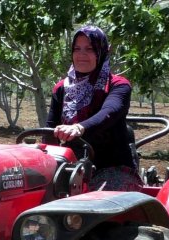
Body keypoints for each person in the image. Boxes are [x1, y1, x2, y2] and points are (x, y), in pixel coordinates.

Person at [46, 24, 142, 191]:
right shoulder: (61, 88)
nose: (81, 54)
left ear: (101, 52)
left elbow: (108, 113)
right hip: (70, 167)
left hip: (112, 169)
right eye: (77, 48)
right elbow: (50, 130)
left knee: (98, 206)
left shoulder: (118, 85)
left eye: (89, 49)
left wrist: (79, 128)